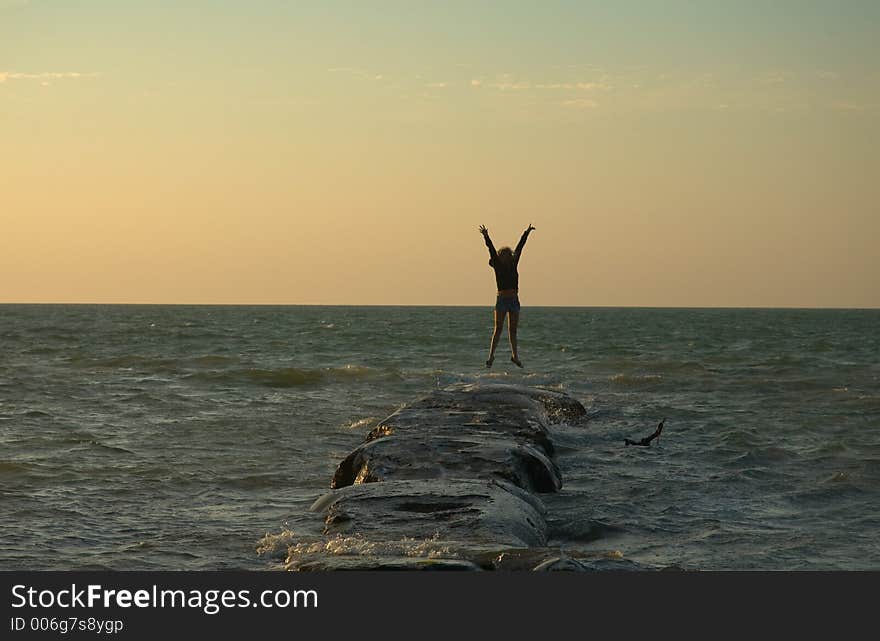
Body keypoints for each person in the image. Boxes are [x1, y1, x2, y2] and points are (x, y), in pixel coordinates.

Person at [479, 223, 535, 368]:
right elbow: (491, 250)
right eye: (502, 254)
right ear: (499, 256)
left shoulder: (513, 262)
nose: (505, 256)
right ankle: (491, 357)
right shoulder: (497, 264)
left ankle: (515, 356)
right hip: (502, 299)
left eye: (507, 254)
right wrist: (486, 236)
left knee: (513, 330)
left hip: (514, 299)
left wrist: (526, 233)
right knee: (498, 328)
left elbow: (520, 247)